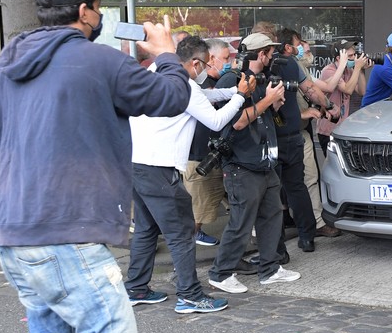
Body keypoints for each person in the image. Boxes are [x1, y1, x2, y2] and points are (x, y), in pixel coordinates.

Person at [0, 0, 191, 333]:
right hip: (67, 235)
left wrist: (12, 206)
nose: (102, 12)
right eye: (99, 5)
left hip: (16, 233)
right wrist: (167, 54)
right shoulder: (103, 62)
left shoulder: (7, 66)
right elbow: (172, 98)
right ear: (86, 12)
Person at [126, 36, 253, 313]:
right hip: (160, 168)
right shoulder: (185, 86)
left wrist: (230, 93)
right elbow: (216, 120)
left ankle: (136, 287)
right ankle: (190, 296)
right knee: (182, 232)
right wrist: (242, 96)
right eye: (206, 65)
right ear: (195, 63)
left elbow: (200, 97)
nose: (207, 70)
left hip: (136, 164)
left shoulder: (156, 74)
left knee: (147, 229)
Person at [207, 33, 300, 293]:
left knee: (272, 216)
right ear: (261, 54)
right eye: (271, 54)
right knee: (241, 221)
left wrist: (274, 104)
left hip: (264, 162)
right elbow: (235, 122)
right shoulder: (232, 80)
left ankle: (270, 268)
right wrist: (267, 101)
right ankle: (220, 272)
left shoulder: (263, 81)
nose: (274, 59)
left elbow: (260, 114)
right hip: (241, 164)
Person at [272, 29, 342, 252]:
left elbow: (310, 90)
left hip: (285, 136)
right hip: (283, 136)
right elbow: (311, 89)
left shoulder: (286, 64)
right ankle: (305, 236)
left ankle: (285, 243)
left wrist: (323, 108)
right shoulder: (288, 64)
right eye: (298, 44)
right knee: (295, 187)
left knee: (285, 188)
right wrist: (328, 107)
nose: (302, 47)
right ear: (288, 47)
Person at [183, 37, 237, 246]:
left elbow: (215, 95)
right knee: (199, 208)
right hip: (198, 158)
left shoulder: (209, 84)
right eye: (225, 58)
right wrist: (239, 95)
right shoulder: (195, 85)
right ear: (210, 58)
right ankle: (189, 240)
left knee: (214, 201)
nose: (229, 62)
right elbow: (215, 121)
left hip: (215, 155)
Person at [316, 40, 371, 156]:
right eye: (350, 56)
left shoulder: (349, 70)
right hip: (328, 129)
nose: (354, 58)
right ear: (338, 58)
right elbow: (348, 89)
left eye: (354, 55)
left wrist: (360, 70)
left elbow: (362, 91)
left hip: (341, 127)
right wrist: (356, 68)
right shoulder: (329, 71)